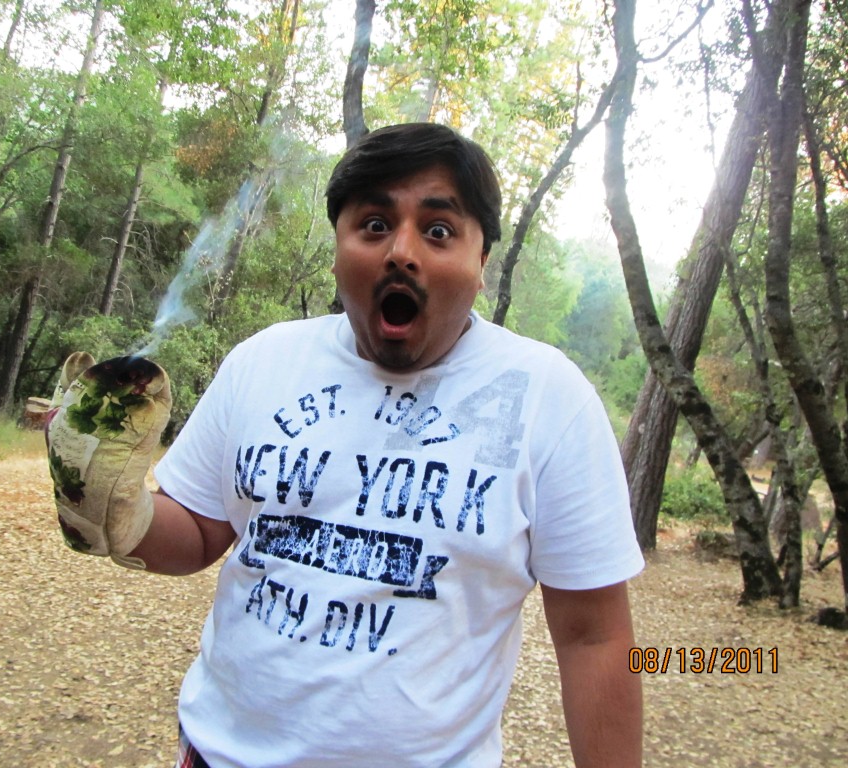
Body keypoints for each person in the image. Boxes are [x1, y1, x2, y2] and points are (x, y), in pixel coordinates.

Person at [46, 122, 644, 768]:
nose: (402, 252)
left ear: (481, 263)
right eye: (374, 225)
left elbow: (594, 638)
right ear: (337, 249)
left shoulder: (548, 398)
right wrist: (116, 510)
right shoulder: (264, 362)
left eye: (439, 230)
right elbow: (196, 532)